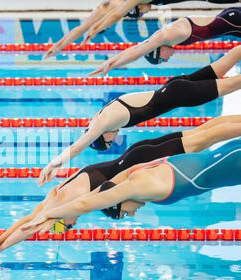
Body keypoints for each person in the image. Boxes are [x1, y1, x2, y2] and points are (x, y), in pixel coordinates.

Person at [0, 117, 241, 268]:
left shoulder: (67, 201)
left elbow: (31, 226)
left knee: (205, 138)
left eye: (63, 228)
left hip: (141, 160)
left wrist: (3, 246)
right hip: (136, 158)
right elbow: (26, 221)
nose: (72, 224)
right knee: (205, 133)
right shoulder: (57, 196)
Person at [38, 45, 241, 185]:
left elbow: (78, 145)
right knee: (224, 63)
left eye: (109, 142)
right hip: (173, 87)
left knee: (232, 84)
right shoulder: (104, 114)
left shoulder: (104, 122)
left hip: (180, 94)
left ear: (101, 136)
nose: (114, 140)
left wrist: (54, 163)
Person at [44, 1, 240, 59]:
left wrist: (95, 30)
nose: (142, 14)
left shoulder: (120, 5)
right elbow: (80, 29)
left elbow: (114, 16)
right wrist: (59, 46)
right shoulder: (105, 8)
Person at [89, 7, 240, 75]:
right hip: (231, 22)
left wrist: (109, 66)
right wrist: (111, 61)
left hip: (233, 21)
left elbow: (137, 52)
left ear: (157, 50)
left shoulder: (166, 36)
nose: (167, 60)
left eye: (162, 59)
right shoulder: (165, 37)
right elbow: (138, 47)